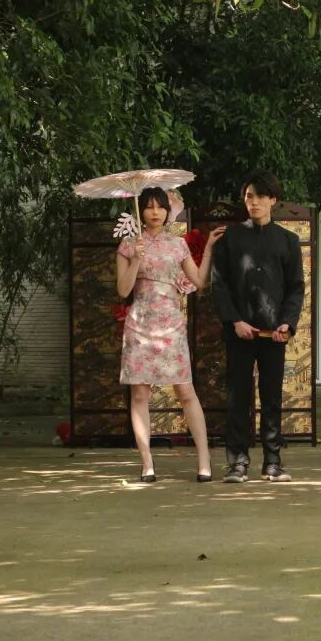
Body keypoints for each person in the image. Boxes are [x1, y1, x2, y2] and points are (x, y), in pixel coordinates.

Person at [116, 188, 225, 482]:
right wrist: (136, 259)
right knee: (140, 394)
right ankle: (147, 463)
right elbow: (123, 290)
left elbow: (199, 281)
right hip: (139, 324)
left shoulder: (177, 244)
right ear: (141, 211)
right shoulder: (128, 244)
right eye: (149, 207)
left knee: (186, 391)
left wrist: (209, 248)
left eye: (160, 207)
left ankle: (204, 460)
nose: (155, 212)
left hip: (171, 324)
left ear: (167, 211)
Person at [210, 171, 305, 483]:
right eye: (249, 196)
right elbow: (219, 284)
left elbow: (296, 287)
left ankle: (273, 460)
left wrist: (287, 323)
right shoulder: (230, 238)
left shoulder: (288, 241)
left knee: (272, 396)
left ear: (273, 200)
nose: (254, 202)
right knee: (238, 396)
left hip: (274, 332)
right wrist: (234, 320)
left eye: (261, 196)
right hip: (240, 330)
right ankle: (237, 461)